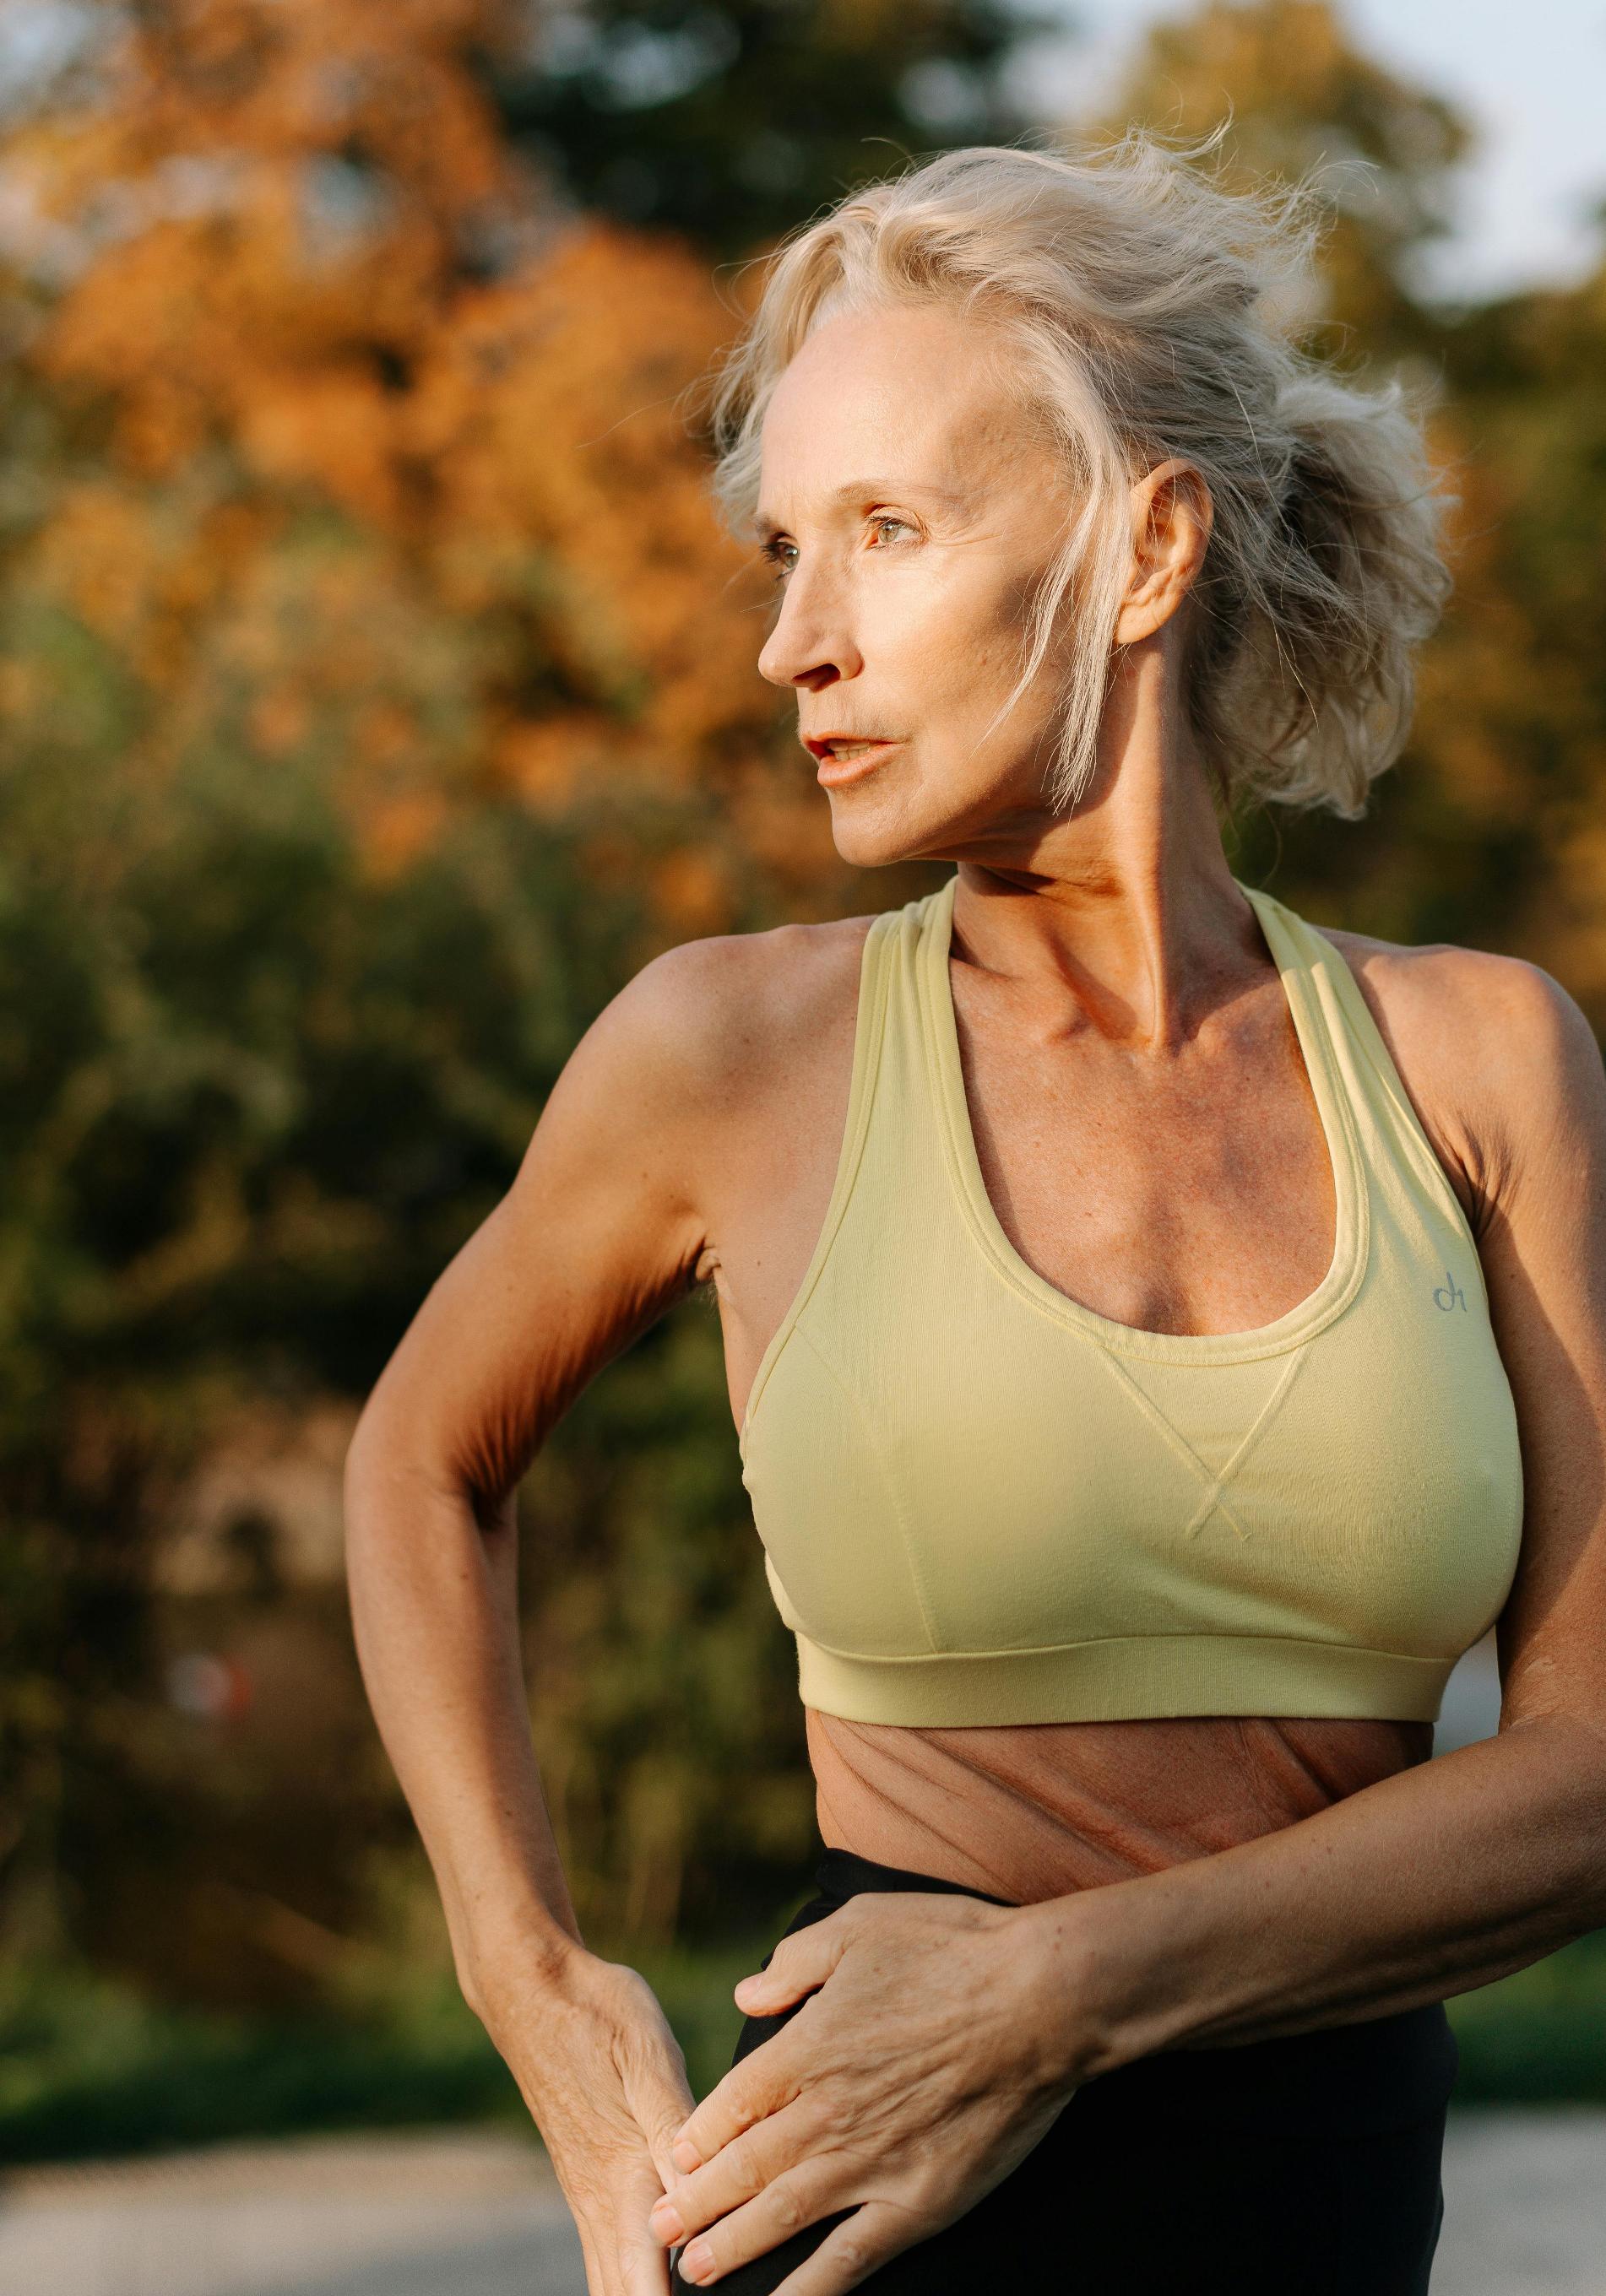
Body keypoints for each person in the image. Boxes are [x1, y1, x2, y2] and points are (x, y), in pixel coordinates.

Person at [343, 135, 1606, 2296]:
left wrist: (1058, 1992)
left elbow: (1591, 1768)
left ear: (1146, 547)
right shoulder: (725, 1053)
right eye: (780, 553)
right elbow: (416, 1458)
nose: (788, 644)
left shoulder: (1483, 1063)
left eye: (886, 533)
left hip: (1321, 2202)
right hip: (852, 2206)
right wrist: (532, 1981)